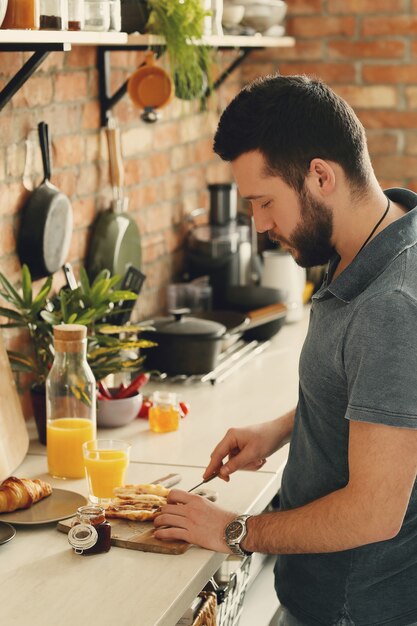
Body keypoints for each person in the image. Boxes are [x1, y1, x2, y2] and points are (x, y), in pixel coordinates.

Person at [153, 75, 417, 625]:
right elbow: (378, 399)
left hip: (352, 608)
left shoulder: (391, 304)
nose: (260, 223)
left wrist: (233, 529)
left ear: (321, 175)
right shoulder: (369, 241)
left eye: (265, 201)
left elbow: (373, 513)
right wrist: (281, 428)